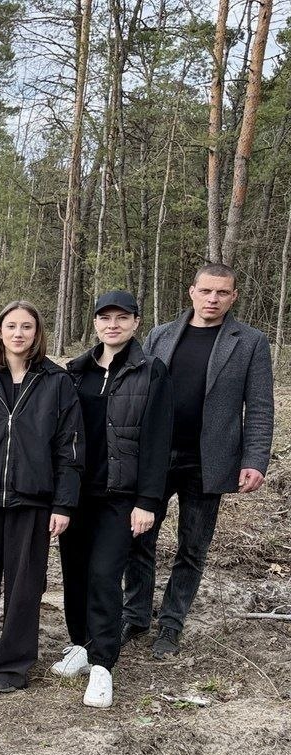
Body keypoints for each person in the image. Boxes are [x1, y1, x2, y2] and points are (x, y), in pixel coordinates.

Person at [123, 263, 273, 658]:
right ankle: (135, 615)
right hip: (156, 457)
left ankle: (171, 624)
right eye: (206, 291)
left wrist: (255, 459)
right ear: (192, 291)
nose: (213, 299)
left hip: (209, 460)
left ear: (233, 297)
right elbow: (138, 393)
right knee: (139, 538)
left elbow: (260, 406)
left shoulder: (250, 342)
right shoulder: (161, 335)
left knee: (192, 547)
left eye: (222, 293)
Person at [0, 301, 82, 693]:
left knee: (25, 585)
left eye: (27, 326)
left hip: (34, 498)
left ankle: (12, 664)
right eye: (11, 326)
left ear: (37, 333)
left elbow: (70, 448)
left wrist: (63, 503)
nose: (19, 333)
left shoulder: (56, 382)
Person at [54, 291, 171, 708]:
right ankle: (81, 645)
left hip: (120, 497)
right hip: (77, 494)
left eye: (122, 318)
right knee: (75, 573)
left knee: (104, 576)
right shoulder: (75, 371)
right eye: (105, 318)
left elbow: (158, 440)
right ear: (95, 323)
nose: (113, 325)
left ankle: (103, 665)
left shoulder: (151, 371)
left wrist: (148, 500)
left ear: (136, 323)